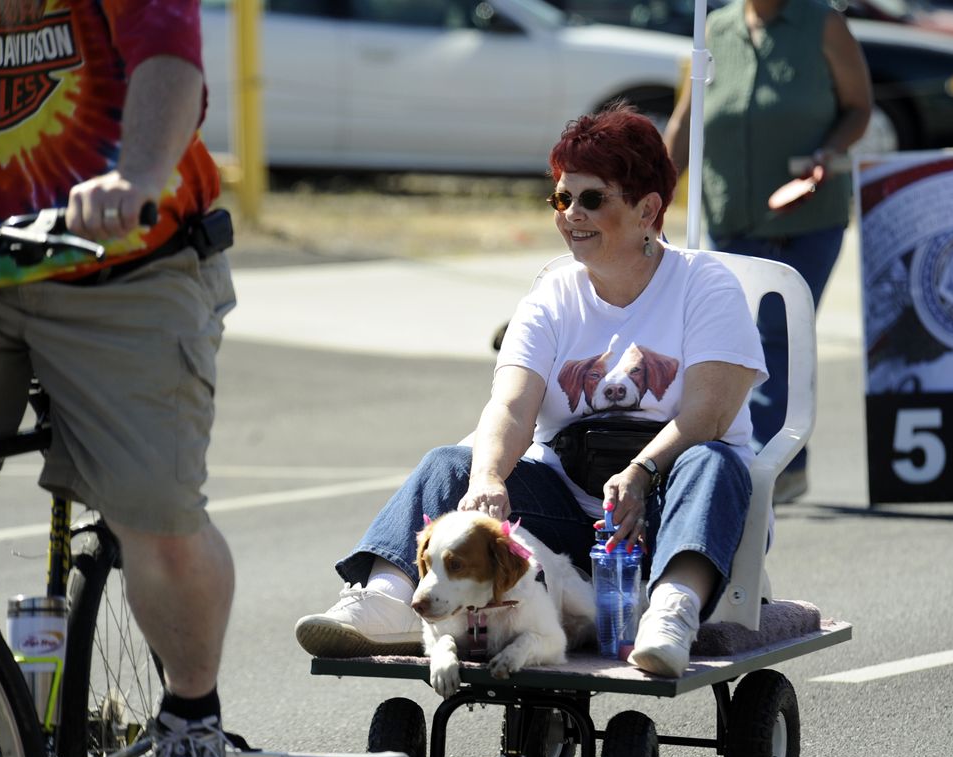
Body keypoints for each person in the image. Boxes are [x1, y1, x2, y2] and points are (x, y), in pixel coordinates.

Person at [296, 104, 767, 679]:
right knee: (450, 464)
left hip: (675, 508)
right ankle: (386, 599)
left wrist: (643, 471)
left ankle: (672, 613)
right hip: (571, 517)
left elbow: (710, 413)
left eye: (593, 199)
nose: (572, 214)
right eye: (561, 199)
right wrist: (489, 479)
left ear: (648, 209)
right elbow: (512, 406)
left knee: (712, 461)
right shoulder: (552, 294)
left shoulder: (705, 284)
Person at [0, 1, 235, 757]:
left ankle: (190, 718)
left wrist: (139, 173)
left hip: (118, 260)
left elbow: (169, 54)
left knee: (157, 512)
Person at [662, 0, 871, 504]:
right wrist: (654, 194)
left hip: (808, 219)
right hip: (731, 217)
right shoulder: (715, 26)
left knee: (778, 333)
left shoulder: (823, 22)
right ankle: (764, 462)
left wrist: (829, 151)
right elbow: (687, 120)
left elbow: (859, 107)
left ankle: (773, 463)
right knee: (731, 337)